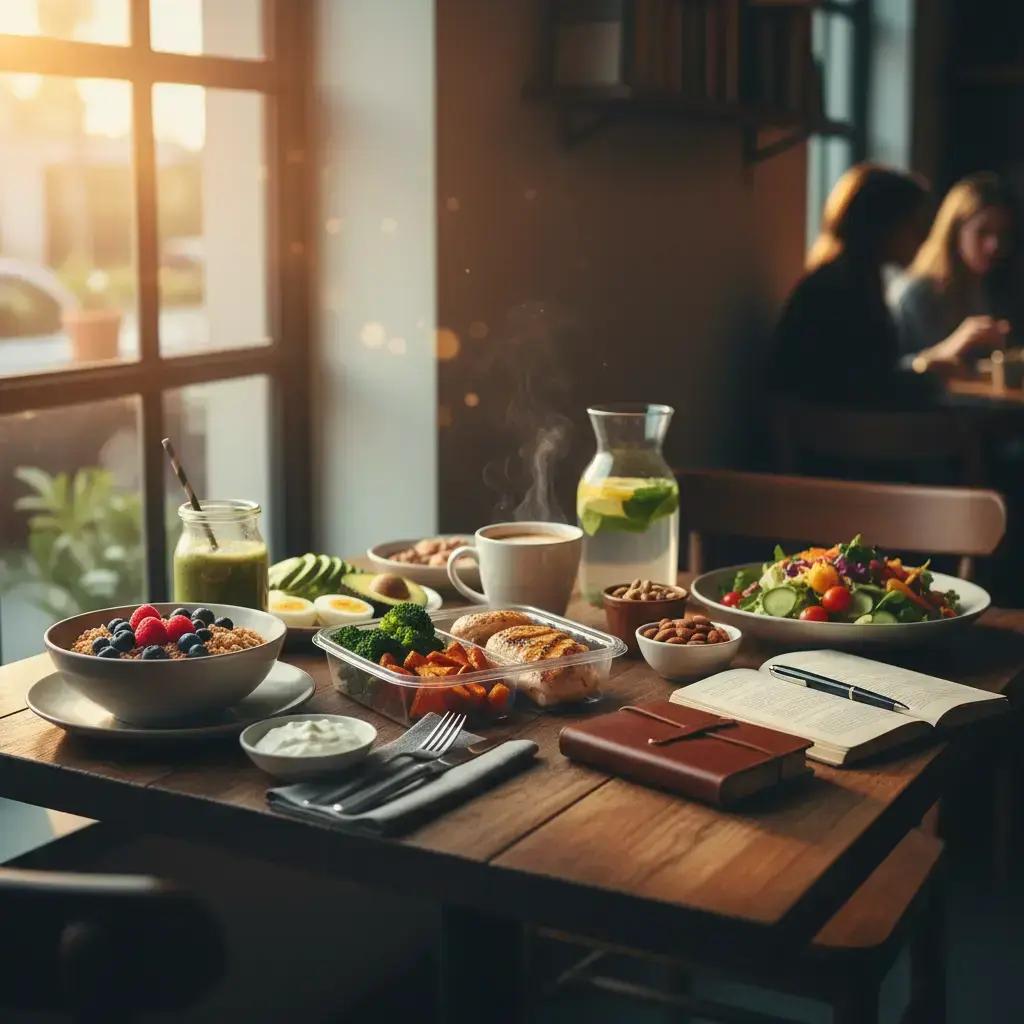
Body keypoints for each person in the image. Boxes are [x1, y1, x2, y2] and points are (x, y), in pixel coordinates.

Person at [772, 163, 932, 403]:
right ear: (881, 225)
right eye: (912, 224)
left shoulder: (848, 281)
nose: (922, 236)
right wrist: (926, 377)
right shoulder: (839, 293)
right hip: (838, 435)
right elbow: (862, 389)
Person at [890, 172, 1017, 372]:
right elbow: (888, 371)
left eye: (1002, 234)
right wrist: (953, 346)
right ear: (954, 231)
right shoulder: (916, 293)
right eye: (982, 232)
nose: (995, 245)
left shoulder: (990, 287)